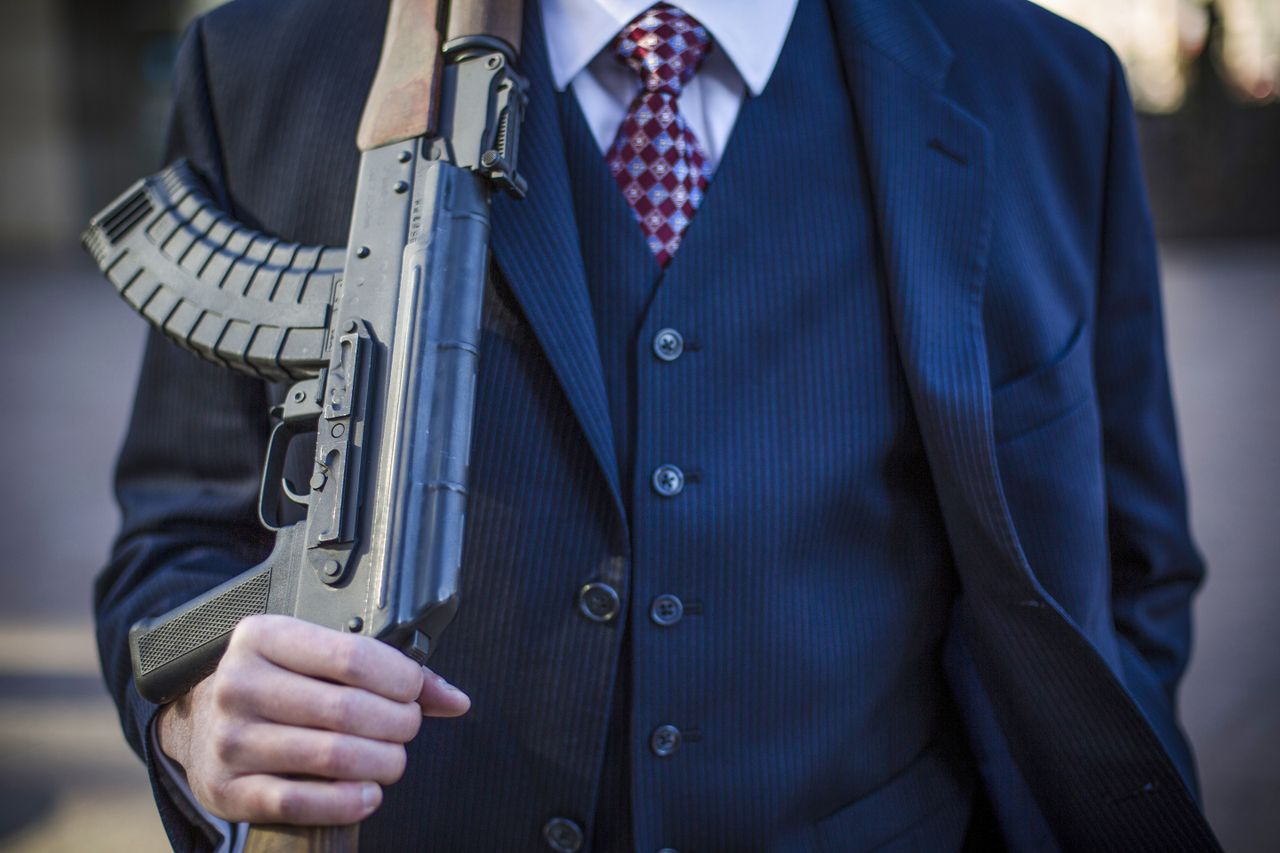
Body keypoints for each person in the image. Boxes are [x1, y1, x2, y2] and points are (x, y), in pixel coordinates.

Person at [94, 0, 1221, 850]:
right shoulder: (268, 59)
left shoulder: (1042, 86)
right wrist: (197, 719)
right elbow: (181, 532)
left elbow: (1125, 571)